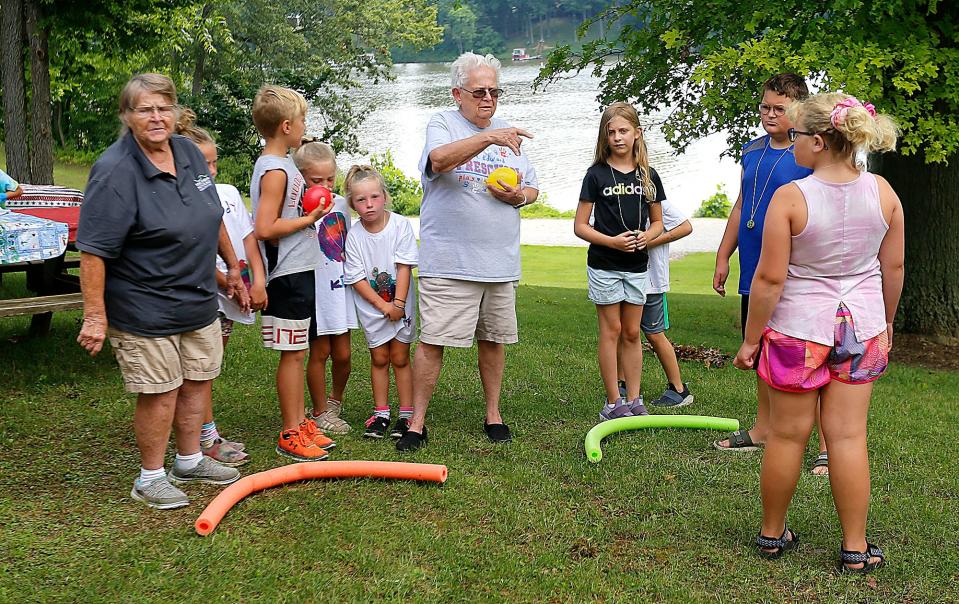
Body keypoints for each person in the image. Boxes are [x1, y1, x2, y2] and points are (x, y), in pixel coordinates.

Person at [733, 93, 902, 573]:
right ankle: (854, 547)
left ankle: (772, 535)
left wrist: (751, 339)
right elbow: (893, 265)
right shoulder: (884, 193)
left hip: (797, 331)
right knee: (848, 437)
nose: (793, 145)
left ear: (821, 141)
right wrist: (885, 321)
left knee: (787, 437)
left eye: (800, 137)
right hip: (861, 328)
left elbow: (768, 280)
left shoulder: (792, 197)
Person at [76, 73, 248, 509]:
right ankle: (149, 477)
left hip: (196, 296)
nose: (156, 117)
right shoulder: (115, 171)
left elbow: (211, 215)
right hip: (143, 302)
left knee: (196, 381)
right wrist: (95, 316)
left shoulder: (188, 152)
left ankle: (189, 460)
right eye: (144, 109)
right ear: (127, 116)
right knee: (160, 390)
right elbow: (93, 251)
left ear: (175, 112)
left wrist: (231, 266)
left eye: (163, 107)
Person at [396, 52, 539, 452]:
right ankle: (417, 422)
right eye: (479, 92)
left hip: (499, 260)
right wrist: (490, 136)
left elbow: (532, 188)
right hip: (450, 260)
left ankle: (493, 414)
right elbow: (438, 161)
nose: (488, 99)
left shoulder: (511, 137)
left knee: (493, 340)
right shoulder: (442, 123)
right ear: (458, 93)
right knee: (434, 341)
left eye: (495, 91)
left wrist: (518, 196)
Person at [712, 74, 829, 475]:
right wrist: (724, 255)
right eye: (765, 107)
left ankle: (827, 447)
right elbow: (742, 204)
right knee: (760, 351)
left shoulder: (808, 157)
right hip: (754, 271)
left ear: (798, 111)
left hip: (795, 273)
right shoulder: (752, 150)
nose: (770, 115)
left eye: (779, 109)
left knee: (810, 357)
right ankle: (763, 429)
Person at [175, 108, 269, 467]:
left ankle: (200, 427)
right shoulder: (184, 200)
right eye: (204, 164)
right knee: (200, 368)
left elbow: (247, 240)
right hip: (205, 294)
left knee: (211, 366)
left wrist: (256, 280)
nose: (211, 172)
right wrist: (229, 283)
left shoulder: (227, 192)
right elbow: (196, 252)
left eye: (214, 164)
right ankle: (206, 437)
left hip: (233, 293)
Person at [250, 84, 334, 461]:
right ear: (286, 126)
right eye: (302, 120)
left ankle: (301, 423)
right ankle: (290, 431)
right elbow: (264, 228)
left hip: (301, 269)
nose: (305, 126)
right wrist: (309, 218)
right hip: (286, 274)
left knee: (299, 351)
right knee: (293, 354)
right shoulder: (275, 171)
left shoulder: (284, 165)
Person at [574, 102, 664, 420]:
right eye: (611, 132)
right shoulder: (596, 175)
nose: (618, 137)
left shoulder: (648, 176)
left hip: (637, 267)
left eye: (624, 131)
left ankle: (635, 399)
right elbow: (580, 226)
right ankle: (613, 403)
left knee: (631, 332)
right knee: (610, 330)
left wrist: (647, 237)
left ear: (637, 134)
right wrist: (611, 241)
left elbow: (658, 224)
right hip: (603, 266)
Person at [342, 165, 419, 439]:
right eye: (361, 200)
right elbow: (357, 278)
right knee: (379, 358)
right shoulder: (354, 236)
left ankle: (407, 414)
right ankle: (381, 413)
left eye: (374, 197)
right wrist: (383, 306)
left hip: (400, 307)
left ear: (384, 196)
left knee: (400, 357)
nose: (369, 204)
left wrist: (397, 304)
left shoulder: (400, 226)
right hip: (374, 309)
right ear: (352, 203)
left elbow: (404, 267)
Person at [292, 142, 356, 435]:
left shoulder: (341, 203)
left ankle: (334, 403)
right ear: (301, 178)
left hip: (339, 290)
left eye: (330, 179)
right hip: (315, 292)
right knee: (320, 352)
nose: (325, 186)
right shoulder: (295, 208)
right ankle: (318, 412)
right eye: (317, 181)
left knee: (343, 354)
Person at [616, 197, 694, 408]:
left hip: (652, 282)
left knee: (654, 333)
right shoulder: (615, 198)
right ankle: (622, 384)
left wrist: (649, 242)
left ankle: (679, 389)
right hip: (625, 277)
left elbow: (686, 227)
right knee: (625, 331)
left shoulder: (656, 201)